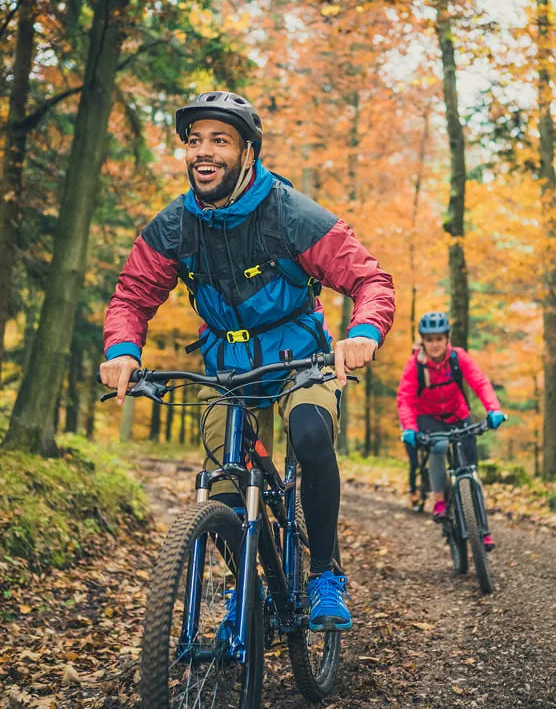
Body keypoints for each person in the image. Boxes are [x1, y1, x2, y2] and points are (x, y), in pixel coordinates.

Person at [100, 91, 395, 631]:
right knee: (224, 484)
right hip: (226, 367)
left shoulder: (290, 213)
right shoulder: (174, 226)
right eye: (194, 142)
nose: (203, 152)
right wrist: (122, 350)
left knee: (308, 435)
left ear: (248, 153)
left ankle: (325, 573)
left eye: (220, 140)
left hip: (299, 359)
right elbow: (132, 296)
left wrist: (363, 333)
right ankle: (248, 586)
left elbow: (369, 279)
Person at [396, 311, 504, 550]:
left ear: (447, 339)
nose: (435, 344)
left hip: (458, 415)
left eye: (439, 339)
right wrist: (410, 428)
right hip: (429, 418)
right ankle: (439, 502)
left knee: (470, 468)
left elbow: (479, 381)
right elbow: (405, 398)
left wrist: (493, 410)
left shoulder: (458, 357)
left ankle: (481, 529)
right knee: (440, 445)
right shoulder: (416, 364)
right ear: (423, 340)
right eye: (430, 339)